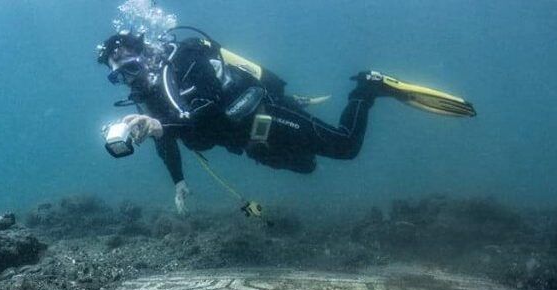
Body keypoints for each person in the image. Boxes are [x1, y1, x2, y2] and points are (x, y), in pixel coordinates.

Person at [97, 29, 476, 214]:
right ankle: (361, 96)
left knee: (345, 147)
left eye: (129, 68)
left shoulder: (186, 61)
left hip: (266, 115)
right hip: (251, 141)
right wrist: (178, 180)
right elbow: (164, 138)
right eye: (118, 76)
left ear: (145, 55)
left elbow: (209, 110)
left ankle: (367, 89)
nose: (128, 79)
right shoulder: (147, 97)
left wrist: (165, 127)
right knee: (307, 167)